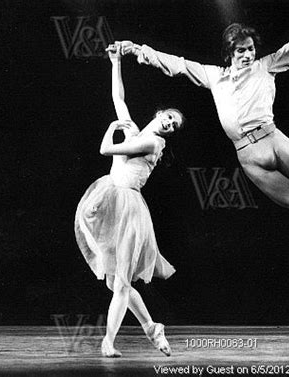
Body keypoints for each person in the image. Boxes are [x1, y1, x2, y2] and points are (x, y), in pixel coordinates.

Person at [115, 15, 289, 276]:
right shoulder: (214, 76)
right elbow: (177, 65)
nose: (248, 54)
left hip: (273, 140)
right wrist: (138, 50)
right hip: (249, 156)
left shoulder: (266, 66)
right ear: (230, 53)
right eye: (241, 50)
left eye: (250, 49)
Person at [74, 43, 184, 358]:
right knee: (115, 283)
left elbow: (106, 151)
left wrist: (111, 129)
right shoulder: (136, 131)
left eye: (174, 125)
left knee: (121, 282)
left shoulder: (152, 142)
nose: (170, 124)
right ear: (160, 113)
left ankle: (108, 342)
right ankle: (152, 328)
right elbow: (118, 98)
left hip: (129, 210)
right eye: (170, 117)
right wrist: (115, 61)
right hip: (114, 200)